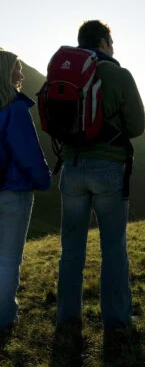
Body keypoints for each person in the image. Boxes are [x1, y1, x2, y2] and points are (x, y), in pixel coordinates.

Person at [56, 20, 145, 332]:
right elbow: (136, 126)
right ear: (105, 42)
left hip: (72, 167)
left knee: (71, 248)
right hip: (109, 169)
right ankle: (117, 321)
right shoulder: (118, 74)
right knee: (113, 248)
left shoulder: (65, 73)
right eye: (112, 40)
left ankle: (67, 318)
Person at [0, 50, 51, 334]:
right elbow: (28, 152)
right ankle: (4, 317)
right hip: (13, 193)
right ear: (7, 73)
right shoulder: (15, 108)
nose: (21, 75)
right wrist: (43, 181)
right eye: (17, 69)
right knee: (8, 259)